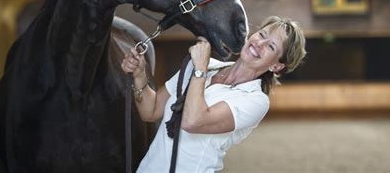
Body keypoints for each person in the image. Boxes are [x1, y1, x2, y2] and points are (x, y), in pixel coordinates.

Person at [121, 16, 307, 172]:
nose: (259, 43)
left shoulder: (256, 100)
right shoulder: (205, 65)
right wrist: (139, 75)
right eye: (262, 34)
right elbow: (151, 111)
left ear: (276, 66)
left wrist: (200, 70)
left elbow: (192, 122)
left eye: (271, 47)